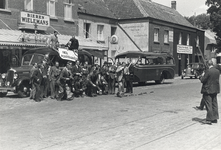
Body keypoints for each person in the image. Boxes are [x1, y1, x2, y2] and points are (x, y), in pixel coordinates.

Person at [199, 60, 220, 124]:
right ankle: (215, 118)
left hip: (208, 90)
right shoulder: (217, 71)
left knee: (209, 105)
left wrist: (201, 76)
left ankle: (209, 119)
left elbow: (203, 80)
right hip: (215, 89)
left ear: (208, 64)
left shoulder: (208, 71)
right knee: (214, 104)